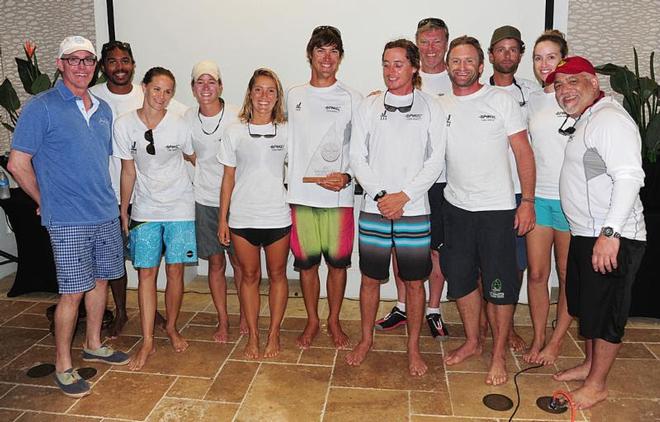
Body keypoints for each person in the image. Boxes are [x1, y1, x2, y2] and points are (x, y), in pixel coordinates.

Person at [8, 36, 129, 397]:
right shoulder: (41, 107)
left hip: (104, 212)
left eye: (88, 60)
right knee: (73, 292)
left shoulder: (104, 109)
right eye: (73, 60)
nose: (82, 66)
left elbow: (101, 161)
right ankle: (63, 364)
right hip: (69, 219)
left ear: (95, 66)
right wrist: (43, 198)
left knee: (102, 281)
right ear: (59, 64)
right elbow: (18, 163)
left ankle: (93, 342)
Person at [548, 56, 646, 409]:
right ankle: (590, 366)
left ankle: (598, 384)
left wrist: (610, 233)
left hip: (611, 237)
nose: (564, 91)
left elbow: (630, 177)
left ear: (592, 81)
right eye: (558, 85)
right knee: (590, 306)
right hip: (587, 233)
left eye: (572, 82)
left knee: (606, 312)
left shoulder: (610, 121)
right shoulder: (589, 117)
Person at [439, 36, 535, 385]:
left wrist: (527, 202)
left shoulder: (501, 100)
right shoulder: (440, 105)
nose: (462, 67)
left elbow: (524, 153)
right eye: (456, 61)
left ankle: (498, 355)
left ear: (481, 66)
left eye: (469, 61)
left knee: (500, 287)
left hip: (497, 211)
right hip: (456, 209)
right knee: (462, 281)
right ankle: (474, 342)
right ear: (447, 65)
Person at [347, 39, 446, 376]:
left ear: (414, 67)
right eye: (386, 64)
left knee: (415, 282)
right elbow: (357, 157)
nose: (391, 71)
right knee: (370, 279)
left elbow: (436, 160)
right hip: (374, 208)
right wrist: (381, 196)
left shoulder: (432, 107)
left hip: (414, 209)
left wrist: (403, 196)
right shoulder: (368, 107)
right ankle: (365, 340)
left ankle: (413, 347)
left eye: (398, 64)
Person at [90, 40, 186, 337]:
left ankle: (157, 313)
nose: (120, 66)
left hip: (159, 199)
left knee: (157, 265)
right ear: (103, 66)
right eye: (112, 61)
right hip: (112, 194)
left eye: (125, 60)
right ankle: (120, 312)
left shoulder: (170, 109)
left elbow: (192, 139)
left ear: (134, 65)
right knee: (116, 258)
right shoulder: (93, 98)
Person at [113, 67, 197, 371]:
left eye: (168, 91)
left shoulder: (179, 125)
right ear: (144, 88)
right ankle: (147, 340)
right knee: (145, 274)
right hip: (146, 209)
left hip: (180, 208)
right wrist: (125, 209)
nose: (162, 97)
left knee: (175, 272)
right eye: (157, 89)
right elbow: (128, 170)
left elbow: (195, 158)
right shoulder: (124, 125)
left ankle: (172, 327)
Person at [374, 17, 450, 341]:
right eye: (425, 41)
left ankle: (432, 309)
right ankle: (403, 306)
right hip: (399, 185)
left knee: (434, 251)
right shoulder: (395, 82)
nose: (431, 48)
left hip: (440, 182)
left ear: (446, 43)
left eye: (437, 41)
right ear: (417, 48)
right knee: (397, 249)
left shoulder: (457, 81)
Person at [286, 26, 362, 350]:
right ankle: (312, 320)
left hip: (338, 197)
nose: (327, 58)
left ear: (340, 57)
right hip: (301, 196)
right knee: (307, 264)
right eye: (320, 50)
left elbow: (361, 149)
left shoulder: (352, 98)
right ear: (310, 54)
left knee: (338, 263)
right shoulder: (293, 95)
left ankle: (333, 319)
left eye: (333, 51)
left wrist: (348, 177)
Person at [218, 68, 290, 359]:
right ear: (249, 93)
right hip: (242, 218)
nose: (264, 96)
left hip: (277, 216)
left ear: (277, 96)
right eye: (258, 89)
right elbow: (227, 179)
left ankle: (274, 334)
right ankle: (253, 336)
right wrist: (223, 219)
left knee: (277, 276)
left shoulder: (287, 131)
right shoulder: (234, 131)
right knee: (248, 276)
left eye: (270, 90)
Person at [522, 30, 573, 365]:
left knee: (568, 274)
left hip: (573, 204)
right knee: (537, 274)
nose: (544, 64)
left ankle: (557, 339)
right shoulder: (530, 97)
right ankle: (539, 336)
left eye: (551, 56)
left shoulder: (578, 96)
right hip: (539, 199)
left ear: (564, 58)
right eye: (538, 57)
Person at [185, 60, 244, 343]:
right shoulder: (186, 118)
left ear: (220, 86)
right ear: (193, 88)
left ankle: (246, 314)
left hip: (239, 201)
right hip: (205, 200)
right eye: (200, 82)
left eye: (211, 82)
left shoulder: (237, 115)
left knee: (242, 265)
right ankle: (223, 320)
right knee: (216, 264)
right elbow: (186, 151)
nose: (206, 87)